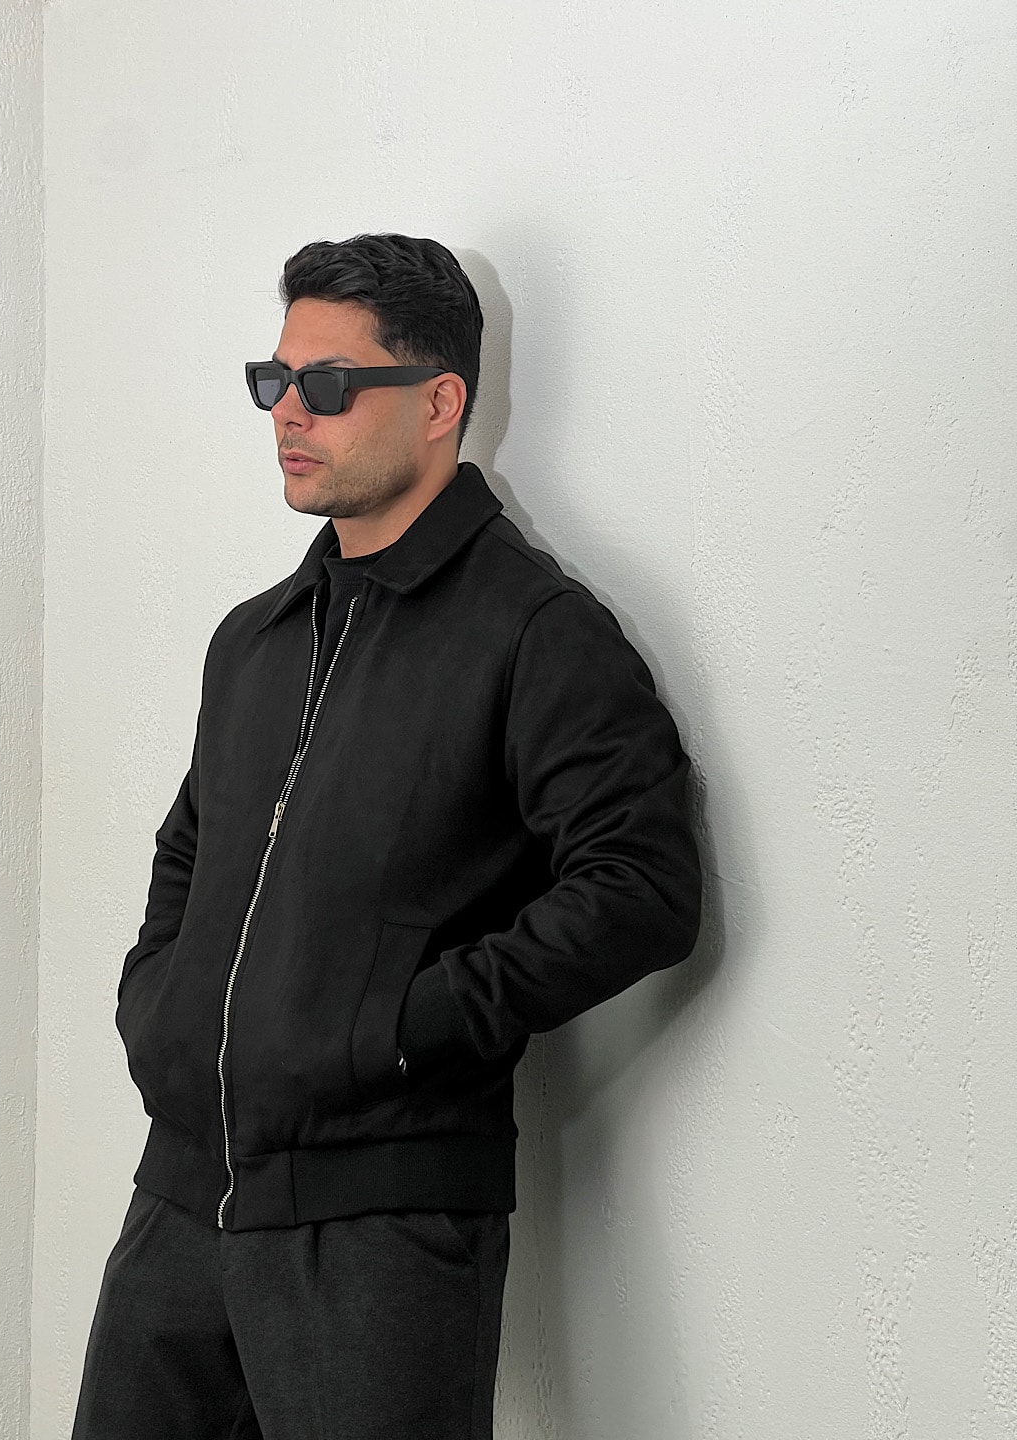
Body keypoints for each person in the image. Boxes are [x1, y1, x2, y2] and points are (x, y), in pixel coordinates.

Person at [71, 232, 703, 1440]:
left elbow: (642, 886)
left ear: (439, 403)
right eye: (275, 379)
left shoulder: (535, 632)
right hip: (181, 1200)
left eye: (327, 383)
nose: (287, 412)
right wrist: (160, 1010)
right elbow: (189, 847)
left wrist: (402, 1031)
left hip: (380, 1229)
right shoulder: (256, 639)